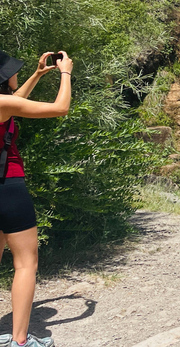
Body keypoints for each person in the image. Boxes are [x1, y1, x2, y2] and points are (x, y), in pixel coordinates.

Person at [0, 50, 72, 347]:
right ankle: (19, 340)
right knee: (25, 263)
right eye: (12, 71)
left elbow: (15, 104)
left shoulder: (4, 104)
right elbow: (60, 108)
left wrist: (37, 75)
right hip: (8, 187)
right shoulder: (2, 103)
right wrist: (65, 73)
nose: (15, 73)